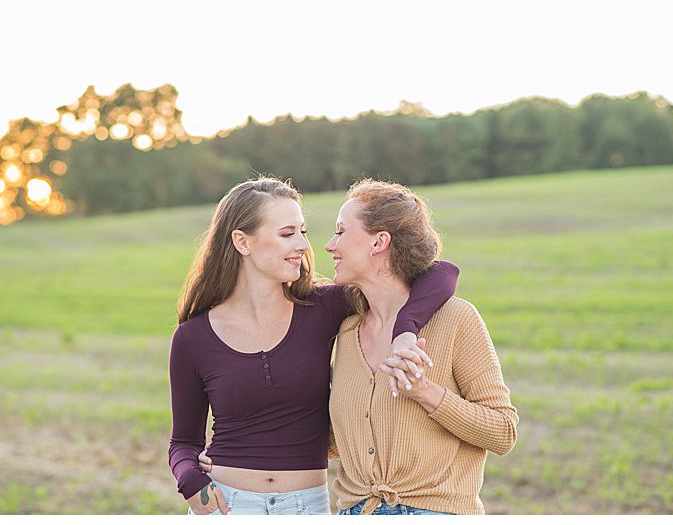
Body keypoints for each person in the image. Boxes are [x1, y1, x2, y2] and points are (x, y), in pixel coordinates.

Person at [168, 177, 459, 515]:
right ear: (242, 242)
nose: (304, 246)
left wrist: (405, 331)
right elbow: (183, 443)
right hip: (226, 504)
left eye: (302, 232)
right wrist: (189, 478)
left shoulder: (323, 307)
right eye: (287, 234)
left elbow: (441, 273)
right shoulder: (193, 337)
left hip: (306, 506)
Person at [327, 179, 517, 514]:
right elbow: (339, 440)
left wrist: (425, 391)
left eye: (341, 231)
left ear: (379, 241)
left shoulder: (456, 318)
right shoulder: (345, 331)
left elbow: (503, 433)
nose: (330, 245)